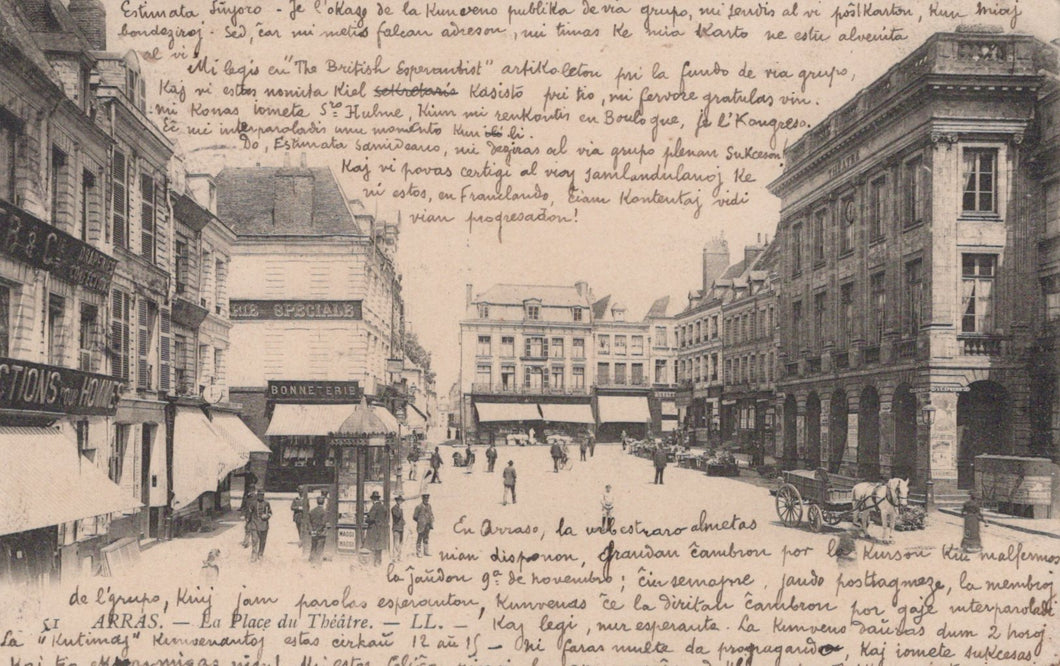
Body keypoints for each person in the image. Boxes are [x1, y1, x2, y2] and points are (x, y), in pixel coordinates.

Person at [365, 490, 388, 566]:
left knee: (373, 546)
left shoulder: (375, 507)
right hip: (381, 529)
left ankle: (374, 562)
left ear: (373, 499)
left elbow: (371, 518)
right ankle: (379, 562)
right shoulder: (383, 506)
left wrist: (366, 519)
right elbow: (385, 516)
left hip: (374, 529)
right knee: (379, 546)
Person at [248, 490, 272, 562]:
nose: (261, 496)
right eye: (259, 495)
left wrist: (267, 516)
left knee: (263, 541)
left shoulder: (267, 503)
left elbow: (270, 513)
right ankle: (254, 555)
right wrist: (248, 522)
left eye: (262, 495)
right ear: (257, 495)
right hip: (254, 524)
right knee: (254, 540)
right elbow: (249, 513)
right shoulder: (253, 503)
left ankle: (260, 554)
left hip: (264, 525)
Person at [307, 495, 328, 566]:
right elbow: (323, 523)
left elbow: (308, 522)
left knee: (313, 546)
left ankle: (312, 562)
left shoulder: (312, 511)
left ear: (317, 502)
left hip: (313, 531)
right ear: (324, 502)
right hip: (321, 532)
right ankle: (318, 564)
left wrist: (312, 530)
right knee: (320, 547)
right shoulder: (324, 512)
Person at [241, 482, 256, 548]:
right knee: (247, 528)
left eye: (252, 490)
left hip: (254, 515)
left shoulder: (257, 497)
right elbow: (243, 506)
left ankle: (252, 541)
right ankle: (246, 542)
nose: (250, 491)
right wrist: (243, 514)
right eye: (250, 490)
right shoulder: (246, 497)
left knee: (253, 529)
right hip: (248, 515)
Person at [391, 496, 406, 561]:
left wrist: (404, 521)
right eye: (399, 501)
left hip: (401, 528)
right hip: (396, 528)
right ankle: (394, 557)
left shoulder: (400, 508)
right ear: (397, 501)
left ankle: (399, 557)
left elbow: (401, 518)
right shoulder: (394, 508)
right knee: (396, 543)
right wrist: (400, 509)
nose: (400, 502)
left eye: (401, 501)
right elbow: (397, 516)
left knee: (400, 543)